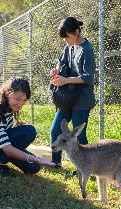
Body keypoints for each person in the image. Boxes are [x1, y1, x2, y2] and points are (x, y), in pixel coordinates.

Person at [0, 77, 56, 175]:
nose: (20, 104)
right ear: (7, 93)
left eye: (24, 100)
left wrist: (14, 127)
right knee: (29, 132)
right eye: (18, 99)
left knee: (34, 167)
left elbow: (1, 134)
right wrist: (38, 159)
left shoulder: (7, 107)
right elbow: (8, 149)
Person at [50, 17, 96, 166]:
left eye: (67, 37)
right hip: (67, 99)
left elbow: (87, 78)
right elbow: (61, 61)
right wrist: (57, 69)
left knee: (80, 137)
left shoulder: (87, 49)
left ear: (76, 32)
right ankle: (55, 164)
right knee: (55, 130)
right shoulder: (68, 47)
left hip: (82, 100)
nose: (65, 40)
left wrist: (66, 80)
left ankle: (83, 168)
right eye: (63, 38)